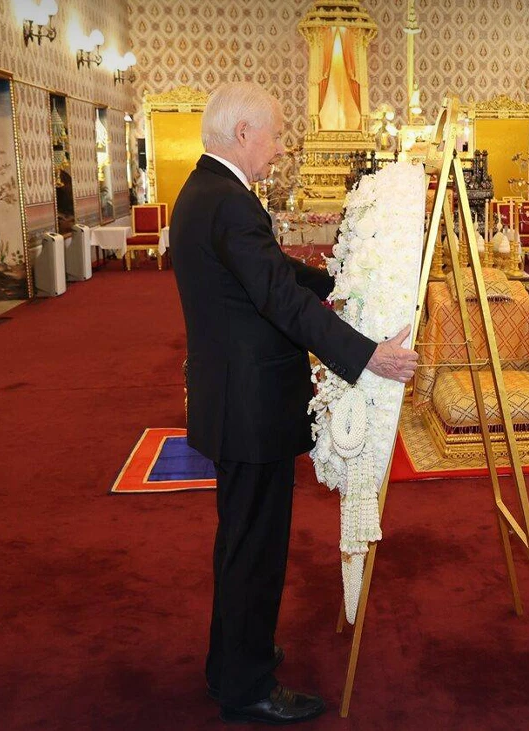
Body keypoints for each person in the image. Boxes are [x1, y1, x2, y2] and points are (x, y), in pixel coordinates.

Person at [170, 81, 418, 726]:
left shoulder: (208, 193)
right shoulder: (228, 202)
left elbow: (273, 272)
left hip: (233, 400)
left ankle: (234, 658)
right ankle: (245, 684)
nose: (280, 149)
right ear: (244, 133)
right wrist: (367, 355)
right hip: (249, 408)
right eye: (276, 134)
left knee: (242, 540)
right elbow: (277, 298)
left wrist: (341, 279)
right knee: (254, 548)